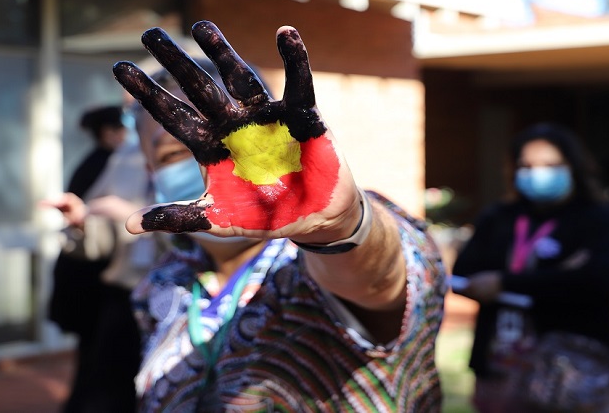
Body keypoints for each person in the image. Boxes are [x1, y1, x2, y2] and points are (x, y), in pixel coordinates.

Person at [108, 20, 446, 411]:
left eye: (235, 146)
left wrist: (337, 230)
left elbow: (379, 279)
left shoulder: (308, 260)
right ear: (150, 171)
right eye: (173, 153)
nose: (210, 169)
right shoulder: (163, 281)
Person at [452, 123, 609, 412]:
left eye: (550, 165)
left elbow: (598, 281)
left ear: (573, 166)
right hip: (501, 362)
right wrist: (560, 275)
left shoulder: (601, 219)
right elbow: (464, 273)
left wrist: (505, 283)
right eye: (527, 166)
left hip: (574, 370)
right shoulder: (499, 218)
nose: (538, 174)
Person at [46, 105, 162, 413]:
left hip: (185, 299)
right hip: (123, 295)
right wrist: (83, 222)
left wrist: (141, 218)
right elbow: (100, 237)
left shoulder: (212, 159)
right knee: (104, 392)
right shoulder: (124, 158)